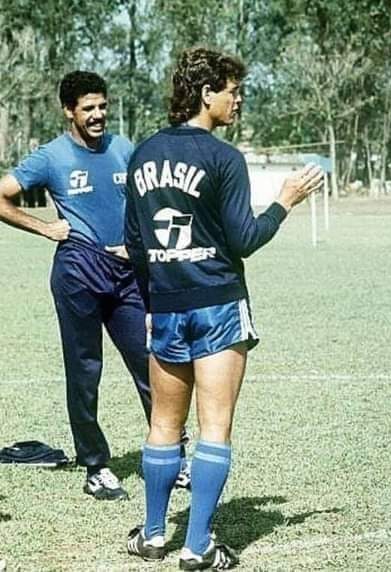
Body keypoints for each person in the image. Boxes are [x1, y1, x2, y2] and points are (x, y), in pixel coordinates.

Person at [124, 47, 324, 569]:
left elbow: (135, 243)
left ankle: (151, 536)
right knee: (214, 427)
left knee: (163, 426)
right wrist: (285, 201)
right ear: (207, 93)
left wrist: (154, 300)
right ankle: (197, 546)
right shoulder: (222, 157)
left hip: (165, 306)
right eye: (233, 91)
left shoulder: (143, 153)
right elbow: (246, 238)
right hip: (216, 305)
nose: (238, 101)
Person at [0, 71, 182, 500]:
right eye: (88, 109)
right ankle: (96, 466)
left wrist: (139, 245)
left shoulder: (123, 148)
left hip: (126, 273)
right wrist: (44, 228)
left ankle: (170, 456)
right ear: (69, 111)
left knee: (150, 363)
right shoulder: (51, 157)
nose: (98, 115)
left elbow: (151, 196)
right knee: (85, 372)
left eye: (102, 106)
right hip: (78, 271)